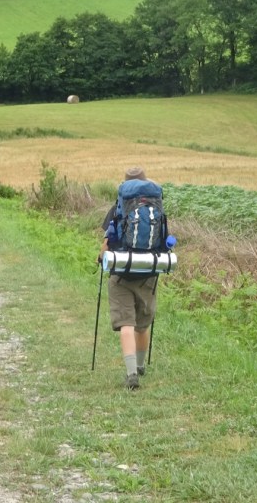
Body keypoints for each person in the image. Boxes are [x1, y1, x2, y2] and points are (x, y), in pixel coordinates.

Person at [98, 166, 160, 390]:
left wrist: (101, 258)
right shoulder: (156, 206)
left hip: (121, 273)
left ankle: (131, 373)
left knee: (126, 323)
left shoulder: (119, 207)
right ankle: (141, 365)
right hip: (148, 274)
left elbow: (107, 243)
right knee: (142, 325)